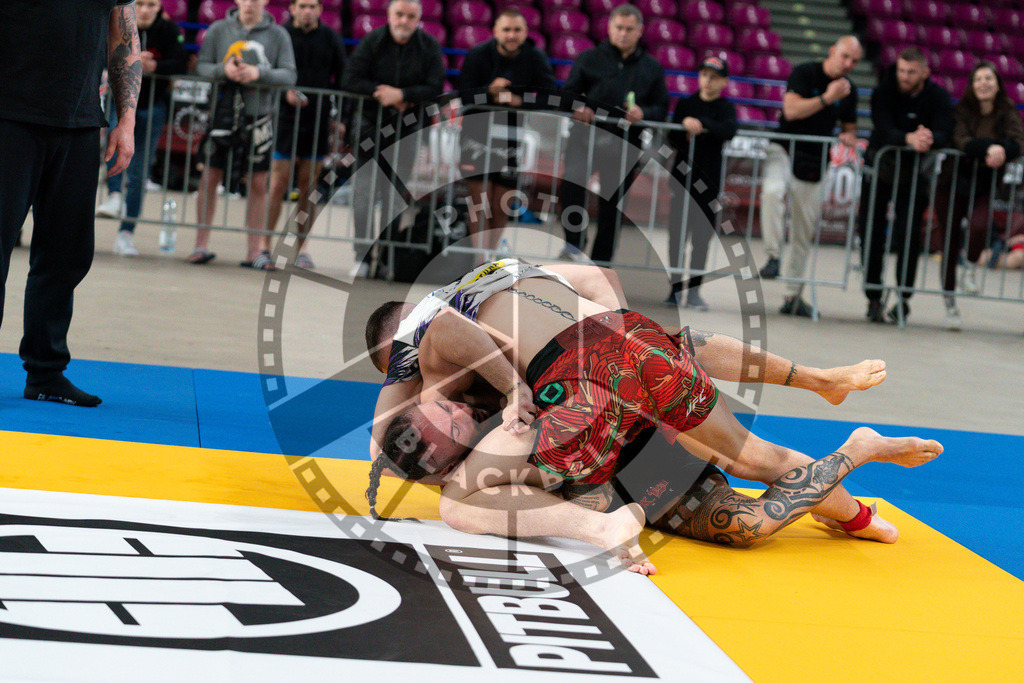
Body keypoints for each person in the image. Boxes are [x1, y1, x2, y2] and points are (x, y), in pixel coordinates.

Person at [364, 260, 899, 549]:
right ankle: (825, 412)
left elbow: (382, 438)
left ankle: (601, 526)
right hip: (622, 341)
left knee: (457, 501)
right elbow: (600, 278)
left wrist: (507, 390)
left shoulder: (421, 349)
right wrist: (622, 359)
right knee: (751, 456)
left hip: (581, 391)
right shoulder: (499, 270)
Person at [0, 0, 140, 407]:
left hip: (79, 121)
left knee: (66, 256)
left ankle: (46, 372)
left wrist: (126, 121)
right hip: (9, 117)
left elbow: (124, 35)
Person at [758, 36, 862, 318]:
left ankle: (793, 295)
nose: (849, 64)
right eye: (845, 57)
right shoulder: (804, 72)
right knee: (772, 191)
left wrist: (848, 136)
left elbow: (849, 127)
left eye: (855, 61)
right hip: (784, 147)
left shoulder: (850, 91)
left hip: (815, 157)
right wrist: (827, 98)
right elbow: (791, 111)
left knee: (804, 228)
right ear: (832, 51)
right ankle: (773, 256)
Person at [558, 4, 669, 264]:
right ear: (609, 27)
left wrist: (645, 112)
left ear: (640, 31)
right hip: (584, 139)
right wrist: (579, 107)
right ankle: (574, 244)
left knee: (613, 206)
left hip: (625, 145)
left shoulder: (652, 67)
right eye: (619, 28)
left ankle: (601, 264)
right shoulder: (588, 58)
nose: (623, 33)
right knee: (571, 183)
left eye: (629, 29)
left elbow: (662, 107)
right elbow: (567, 96)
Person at [342, 0, 445, 278]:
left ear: (418, 19)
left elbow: (435, 87)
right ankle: (362, 257)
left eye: (410, 16)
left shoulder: (429, 47)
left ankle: (386, 258)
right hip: (368, 131)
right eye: (399, 14)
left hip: (408, 135)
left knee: (393, 199)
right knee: (363, 197)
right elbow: (350, 79)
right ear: (389, 15)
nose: (404, 21)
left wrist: (402, 95)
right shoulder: (372, 41)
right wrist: (380, 92)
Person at [190, 0, 297, 268]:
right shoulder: (218, 29)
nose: (250, 3)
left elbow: (289, 75)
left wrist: (258, 73)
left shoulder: (278, 34)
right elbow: (201, 66)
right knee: (209, 177)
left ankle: (254, 251)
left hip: (260, 117)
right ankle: (200, 244)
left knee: (259, 183)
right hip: (222, 115)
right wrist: (222, 71)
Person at [860, 48, 953, 325]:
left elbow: (945, 132)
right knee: (871, 234)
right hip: (880, 170)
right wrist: (908, 138)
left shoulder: (938, 96)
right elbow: (883, 127)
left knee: (909, 236)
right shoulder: (884, 90)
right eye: (901, 70)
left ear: (925, 72)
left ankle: (903, 298)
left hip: (915, 175)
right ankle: (873, 297)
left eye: (911, 72)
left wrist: (928, 138)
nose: (904, 76)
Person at [458, 8, 556, 261]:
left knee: (501, 204)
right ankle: (479, 262)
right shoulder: (477, 55)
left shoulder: (535, 58)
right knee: (479, 201)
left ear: (525, 32)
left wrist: (518, 100)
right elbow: (465, 95)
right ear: (495, 32)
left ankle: (489, 259)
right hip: (475, 137)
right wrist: (488, 92)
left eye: (517, 30)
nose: (511, 35)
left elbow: (550, 97)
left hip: (512, 138)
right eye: (506, 30)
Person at [935, 61, 1024, 329]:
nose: (983, 83)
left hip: (984, 185)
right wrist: (994, 149)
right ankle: (950, 304)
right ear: (972, 85)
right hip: (951, 183)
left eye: (989, 78)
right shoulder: (961, 110)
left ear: (997, 84)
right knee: (949, 244)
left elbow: (1018, 143)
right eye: (978, 79)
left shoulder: (1008, 113)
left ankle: (971, 266)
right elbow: (961, 141)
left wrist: (1002, 150)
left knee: (981, 224)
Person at [97, 0, 188, 257]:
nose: (146, 10)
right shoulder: (117, 21)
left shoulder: (170, 30)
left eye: (152, 4)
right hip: (120, 103)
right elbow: (103, 54)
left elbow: (182, 63)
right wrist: (132, 61)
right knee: (113, 148)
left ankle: (127, 232)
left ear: (159, 7)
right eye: (142, 4)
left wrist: (154, 66)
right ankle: (114, 194)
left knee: (139, 169)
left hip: (152, 105)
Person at [261, 0, 346, 270]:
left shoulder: (331, 38)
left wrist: (341, 119)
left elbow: (343, 78)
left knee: (309, 188)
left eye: (312, 6)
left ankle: (302, 249)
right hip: (285, 118)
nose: (307, 10)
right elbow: (270, 72)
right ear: (293, 9)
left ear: (320, 9)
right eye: (302, 5)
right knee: (277, 183)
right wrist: (284, 89)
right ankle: (263, 246)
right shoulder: (280, 35)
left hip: (318, 120)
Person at [663, 55, 738, 310]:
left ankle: (694, 291)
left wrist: (701, 124)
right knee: (677, 237)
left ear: (724, 81)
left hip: (709, 185)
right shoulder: (686, 104)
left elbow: (729, 130)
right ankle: (674, 289)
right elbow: (671, 136)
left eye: (714, 77)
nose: (708, 80)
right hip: (682, 181)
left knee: (701, 239)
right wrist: (683, 123)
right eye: (705, 75)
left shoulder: (726, 107)